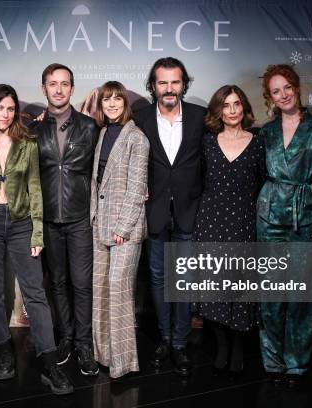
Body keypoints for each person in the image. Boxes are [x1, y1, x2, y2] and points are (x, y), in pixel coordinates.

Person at [0, 84, 73, 394]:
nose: (5, 114)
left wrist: (38, 231)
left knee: (35, 293)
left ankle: (50, 363)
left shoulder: (26, 143)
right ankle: (3, 352)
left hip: (22, 223)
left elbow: (35, 189)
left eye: (11, 109)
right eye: (0, 108)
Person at [256, 64, 312, 384]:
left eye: (287, 87)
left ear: (297, 88)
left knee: (302, 295)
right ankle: (273, 362)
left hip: (305, 219)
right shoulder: (266, 132)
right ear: (270, 98)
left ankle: (296, 364)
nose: (283, 94)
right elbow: (256, 174)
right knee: (272, 296)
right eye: (276, 91)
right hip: (270, 217)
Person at [134, 57, 207, 376]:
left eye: (175, 82)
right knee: (159, 278)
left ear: (184, 85)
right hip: (155, 212)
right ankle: (164, 339)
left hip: (190, 211)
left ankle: (180, 342)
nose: (169, 88)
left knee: (184, 281)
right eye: (162, 82)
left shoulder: (200, 117)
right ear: (153, 85)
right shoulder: (138, 118)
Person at [30, 63, 100, 376]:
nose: (58, 89)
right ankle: (66, 338)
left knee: (81, 284)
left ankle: (84, 344)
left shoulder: (89, 126)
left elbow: (101, 172)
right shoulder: (34, 129)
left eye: (64, 83)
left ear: (72, 88)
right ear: (44, 88)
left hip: (80, 218)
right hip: (47, 219)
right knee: (57, 282)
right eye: (52, 83)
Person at [192, 85, 265, 374]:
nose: (232, 110)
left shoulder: (258, 142)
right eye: (226, 105)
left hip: (244, 223)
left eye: (237, 104)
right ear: (218, 110)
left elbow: (267, 180)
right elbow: (195, 180)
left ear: (244, 108)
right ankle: (221, 344)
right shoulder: (208, 142)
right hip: (211, 222)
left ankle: (237, 345)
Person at [90, 81, 149, 378]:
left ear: (125, 103)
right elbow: (97, 182)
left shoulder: (136, 137)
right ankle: (103, 354)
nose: (111, 104)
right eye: (106, 100)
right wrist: (93, 217)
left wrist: (123, 227)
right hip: (100, 224)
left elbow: (138, 188)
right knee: (100, 292)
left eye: (116, 99)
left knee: (119, 291)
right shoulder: (102, 133)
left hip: (124, 229)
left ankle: (123, 363)